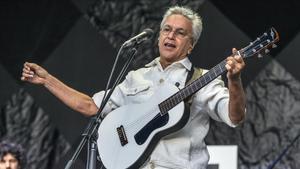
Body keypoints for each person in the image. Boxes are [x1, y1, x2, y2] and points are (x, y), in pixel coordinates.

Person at [21, 6, 246, 169]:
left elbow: (234, 117)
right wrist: (47, 80)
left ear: (191, 45)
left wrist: (234, 81)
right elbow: (90, 106)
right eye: (166, 30)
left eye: (180, 33)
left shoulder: (202, 79)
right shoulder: (136, 77)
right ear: (158, 37)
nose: (170, 36)